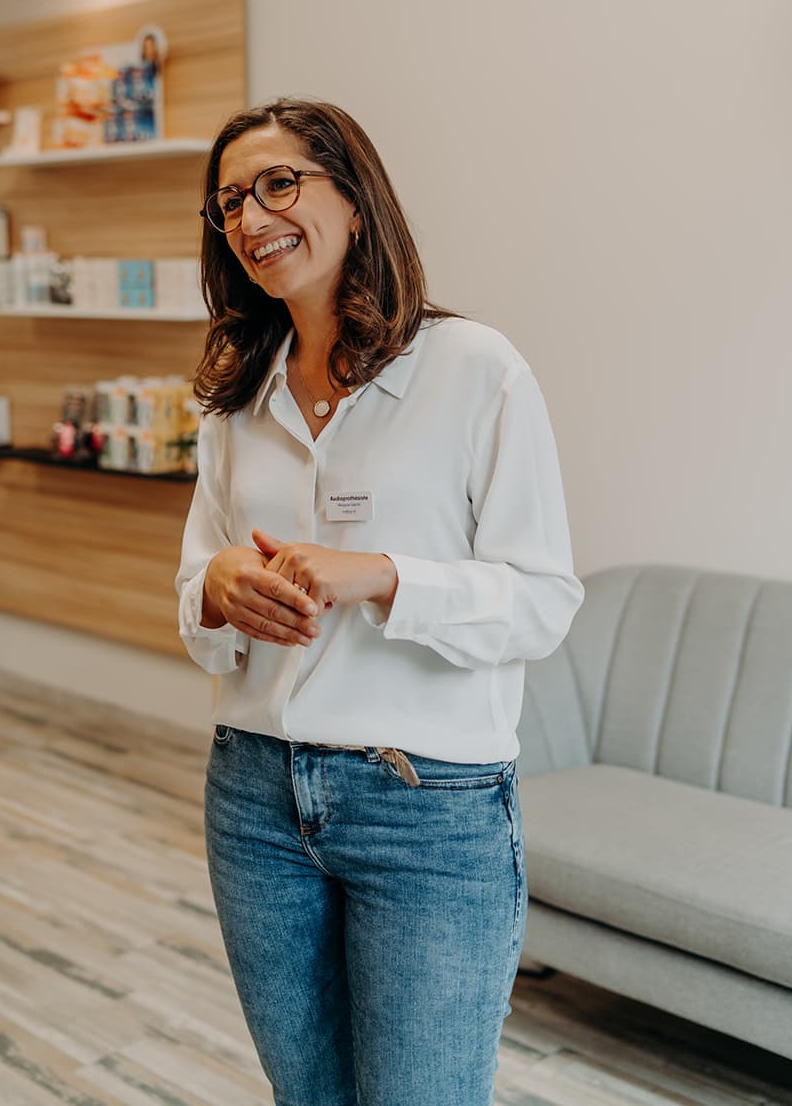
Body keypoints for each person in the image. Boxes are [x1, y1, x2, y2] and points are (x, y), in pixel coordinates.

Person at [176, 98, 584, 1106]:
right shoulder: (236, 398)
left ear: (354, 202)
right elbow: (195, 594)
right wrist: (217, 589)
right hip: (256, 795)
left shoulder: (473, 370)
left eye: (279, 183)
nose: (251, 215)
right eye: (229, 199)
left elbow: (543, 601)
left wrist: (384, 576)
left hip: (427, 807)